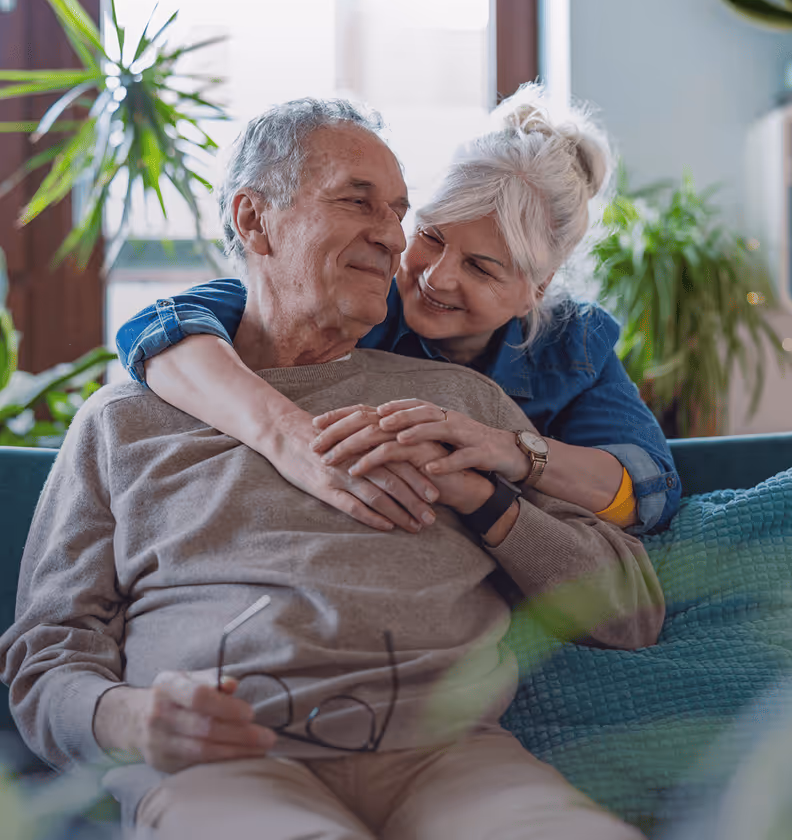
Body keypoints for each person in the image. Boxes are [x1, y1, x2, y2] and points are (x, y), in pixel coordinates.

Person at [0, 99, 663, 840]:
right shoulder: (127, 418)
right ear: (254, 221)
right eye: (359, 202)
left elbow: (633, 605)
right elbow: (47, 652)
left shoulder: (463, 405)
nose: (393, 237)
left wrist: (488, 500)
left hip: (450, 760)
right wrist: (131, 718)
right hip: (226, 768)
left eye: (399, 210)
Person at [115, 82, 680, 543]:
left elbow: (649, 490)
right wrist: (287, 435)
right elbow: (160, 331)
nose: (436, 276)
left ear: (537, 287)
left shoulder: (572, 345)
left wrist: (508, 449)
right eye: (431, 238)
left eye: (482, 268)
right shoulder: (361, 296)